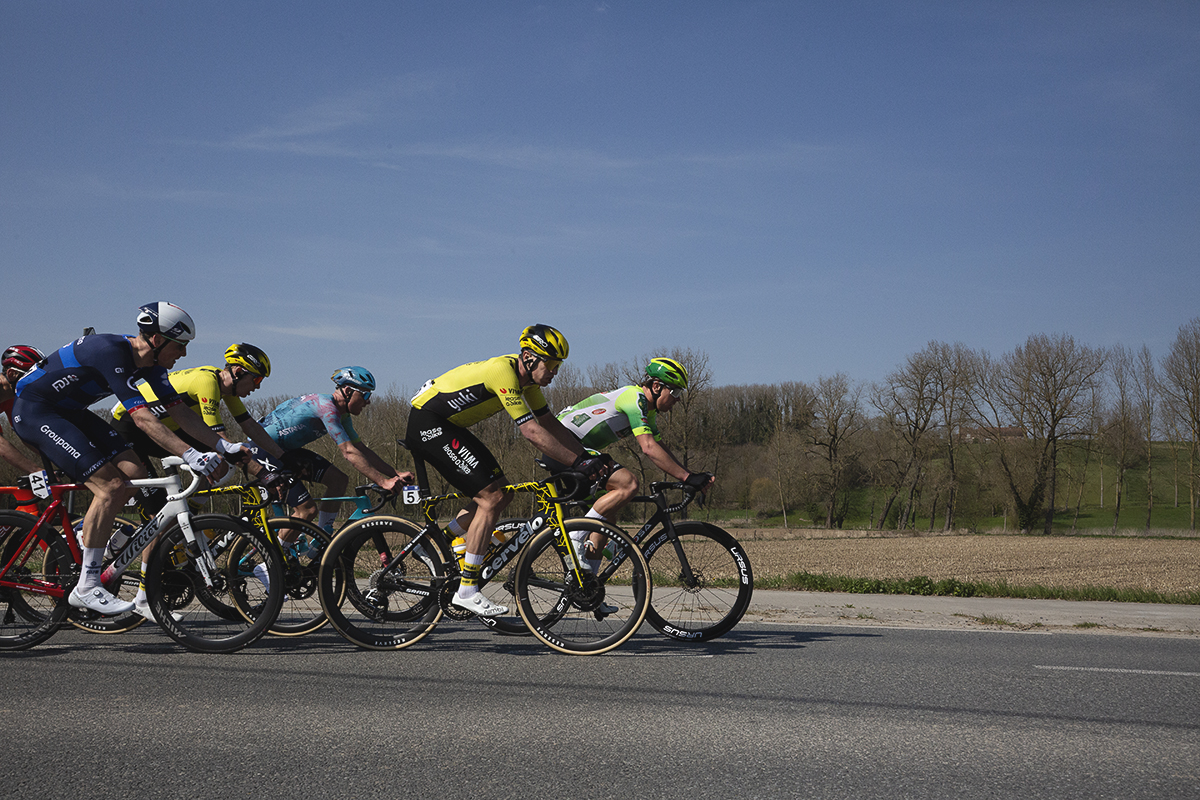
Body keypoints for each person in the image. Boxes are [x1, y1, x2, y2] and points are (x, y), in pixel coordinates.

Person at [12, 303, 242, 617]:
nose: (184, 355)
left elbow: (179, 412)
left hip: (71, 413)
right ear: (158, 341)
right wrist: (190, 454)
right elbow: (144, 420)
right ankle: (88, 585)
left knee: (134, 473)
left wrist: (222, 446)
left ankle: (134, 587)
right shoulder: (110, 351)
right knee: (110, 486)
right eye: (180, 346)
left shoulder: (152, 365)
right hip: (37, 413)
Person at [405, 324, 607, 617]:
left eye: (558, 365)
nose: (554, 371)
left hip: (447, 425)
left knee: (502, 495)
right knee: (490, 498)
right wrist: (578, 463)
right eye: (550, 364)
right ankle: (467, 590)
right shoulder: (503, 371)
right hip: (428, 423)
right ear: (528, 357)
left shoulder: (529, 384)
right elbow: (532, 432)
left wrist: (586, 456)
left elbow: (550, 424)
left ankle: (437, 542)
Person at [554, 357, 714, 571]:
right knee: (628, 484)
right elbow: (648, 447)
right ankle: (575, 537)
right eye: (675, 392)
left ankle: (588, 585)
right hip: (562, 444)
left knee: (608, 513)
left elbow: (659, 445)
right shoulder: (634, 397)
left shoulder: (649, 410)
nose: (677, 400)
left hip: (576, 449)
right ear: (657, 387)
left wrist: (688, 474)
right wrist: (686, 477)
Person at [110, 342, 286, 519]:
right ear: (238, 372)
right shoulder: (208, 383)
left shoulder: (224, 387)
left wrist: (285, 458)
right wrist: (263, 473)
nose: (257, 387)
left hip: (159, 431)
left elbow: (250, 426)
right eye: (257, 379)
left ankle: (188, 516)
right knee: (157, 516)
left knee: (218, 463)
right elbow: (220, 441)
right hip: (129, 429)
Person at [255, 366, 414, 536]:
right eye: (366, 394)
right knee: (307, 511)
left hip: (286, 451)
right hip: (263, 449)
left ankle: (323, 536)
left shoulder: (342, 414)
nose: (368, 401)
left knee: (338, 480)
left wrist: (395, 473)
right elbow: (348, 452)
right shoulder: (326, 408)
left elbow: (361, 449)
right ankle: (272, 559)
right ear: (347, 391)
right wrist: (382, 482)